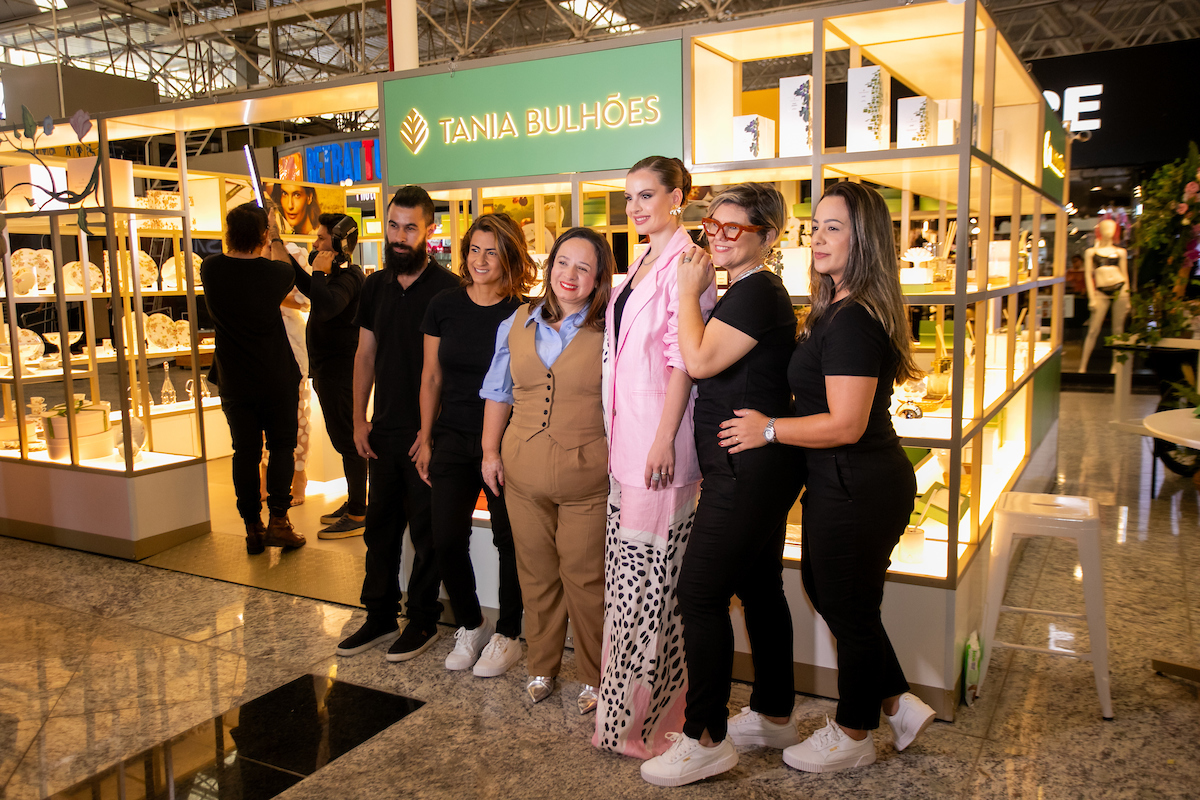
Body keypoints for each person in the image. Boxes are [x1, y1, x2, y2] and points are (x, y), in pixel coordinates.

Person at [716, 181, 936, 774]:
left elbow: (845, 423)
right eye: (816, 225)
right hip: (842, 480)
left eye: (834, 226)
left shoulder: (854, 321)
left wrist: (768, 429)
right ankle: (898, 704)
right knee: (835, 593)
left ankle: (856, 730)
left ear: (862, 239)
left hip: (859, 482)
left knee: (847, 604)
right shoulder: (835, 308)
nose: (819, 235)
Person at [640, 183, 804, 787]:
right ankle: (775, 714)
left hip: (746, 474)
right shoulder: (748, 291)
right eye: (714, 223)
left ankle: (704, 736)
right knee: (761, 589)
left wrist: (686, 292)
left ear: (767, 236)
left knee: (700, 594)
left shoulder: (757, 292)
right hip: (748, 470)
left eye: (735, 228)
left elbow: (700, 360)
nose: (718, 235)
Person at [594, 156, 716, 757]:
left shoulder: (690, 264)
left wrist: (665, 436)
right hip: (627, 444)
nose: (635, 208)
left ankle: (648, 726)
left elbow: (682, 360)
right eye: (629, 198)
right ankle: (622, 719)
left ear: (679, 197)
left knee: (652, 594)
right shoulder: (641, 260)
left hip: (660, 449)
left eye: (647, 196)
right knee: (627, 588)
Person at [480, 227, 612, 713]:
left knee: (585, 578)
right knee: (534, 574)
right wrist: (489, 453)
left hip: (588, 476)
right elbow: (499, 391)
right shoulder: (517, 321)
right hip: (521, 471)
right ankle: (542, 665)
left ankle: (597, 676)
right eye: (562, 263)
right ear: (549, 266)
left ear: (599, 277)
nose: (569, 275)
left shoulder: (609, 328)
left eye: (583, 267)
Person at [335, 186, 459, 661]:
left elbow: (446, 372)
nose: (400, 236)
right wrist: (357, 419)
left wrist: (432, 435)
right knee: (379, 530)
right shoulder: (373, 287)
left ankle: (422, 620)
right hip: (383, 431)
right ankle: (379, 614)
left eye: (410, 227)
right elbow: (364, 356)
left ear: (430, 229)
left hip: (429, 434)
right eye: (393, 225)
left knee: (427, 533)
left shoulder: (447, 289)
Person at [415, 213, 532, 676]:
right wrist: (425, 437)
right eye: (474, 250)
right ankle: (471, 623)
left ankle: (509, 633)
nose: (480, 260)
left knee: (509, 541)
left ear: (510, 256)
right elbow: (431, 376)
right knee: (444, 538)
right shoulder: (443, 305)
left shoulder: (525, 312)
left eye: (492, 251)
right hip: (451, 437)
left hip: (506, 442)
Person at [201, 202, 306, 554]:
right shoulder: (274, 274)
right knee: (281, 448)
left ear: (228, 233)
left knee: (243, 452)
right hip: (276, 376)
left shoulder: (211, 269)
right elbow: (282, 264)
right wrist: (274, 234)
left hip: (234, 379)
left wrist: (263, 233)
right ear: (263, 234)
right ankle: (279, 520)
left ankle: (253, 527)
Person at [288, 214, 369, 538]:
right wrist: (289, 258)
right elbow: (311, 289)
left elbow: (325, 306)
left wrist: (318, 273)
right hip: (327, 370)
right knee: (342, 439)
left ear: (337, 243)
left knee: (350, 442)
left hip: (340, 372)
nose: (316, 243)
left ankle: (358, 512)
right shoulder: (332, 276)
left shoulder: (349, 277)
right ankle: (355, 501)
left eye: (321, 238)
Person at [1078, 218, 1130, 373]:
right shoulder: (1091, 252)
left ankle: (1116, 366)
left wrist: (1129, 298)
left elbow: (1125, 275)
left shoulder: (1120, 252)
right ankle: (1082, 366)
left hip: (1120, 289)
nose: (1109, 231)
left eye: (1112, 228)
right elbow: (1088, 275)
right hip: (1100, 291)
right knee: (1093, 329)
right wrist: (1092, 297)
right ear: (1099, 230)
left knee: (1118, 329)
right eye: (1106, 227)